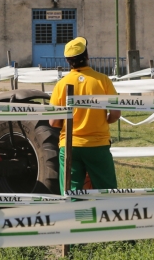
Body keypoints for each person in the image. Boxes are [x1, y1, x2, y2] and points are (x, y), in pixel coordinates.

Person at [49, 37, 121, 192]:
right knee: (107, 192)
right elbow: (115, 113)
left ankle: (75, 216)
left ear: (68, 61)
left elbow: (53, 122)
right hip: (98, 145)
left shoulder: (61, 84)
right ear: (87, 56)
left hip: (70, 146)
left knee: (71, 194)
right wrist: (105, 120)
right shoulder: (103, 80)